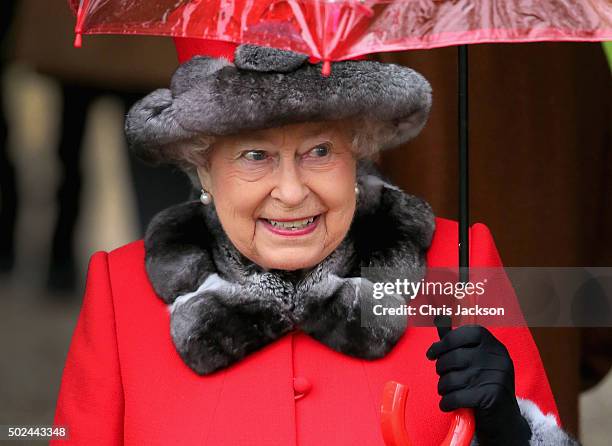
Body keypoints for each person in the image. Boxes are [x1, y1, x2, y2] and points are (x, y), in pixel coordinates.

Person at [51, 39, 578, 445]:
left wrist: (512, 430)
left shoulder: (457, 266)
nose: (291, 190)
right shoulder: (122, 292)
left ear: (359, 150)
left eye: (320, 150)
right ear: (203, 169)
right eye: (255, 155)